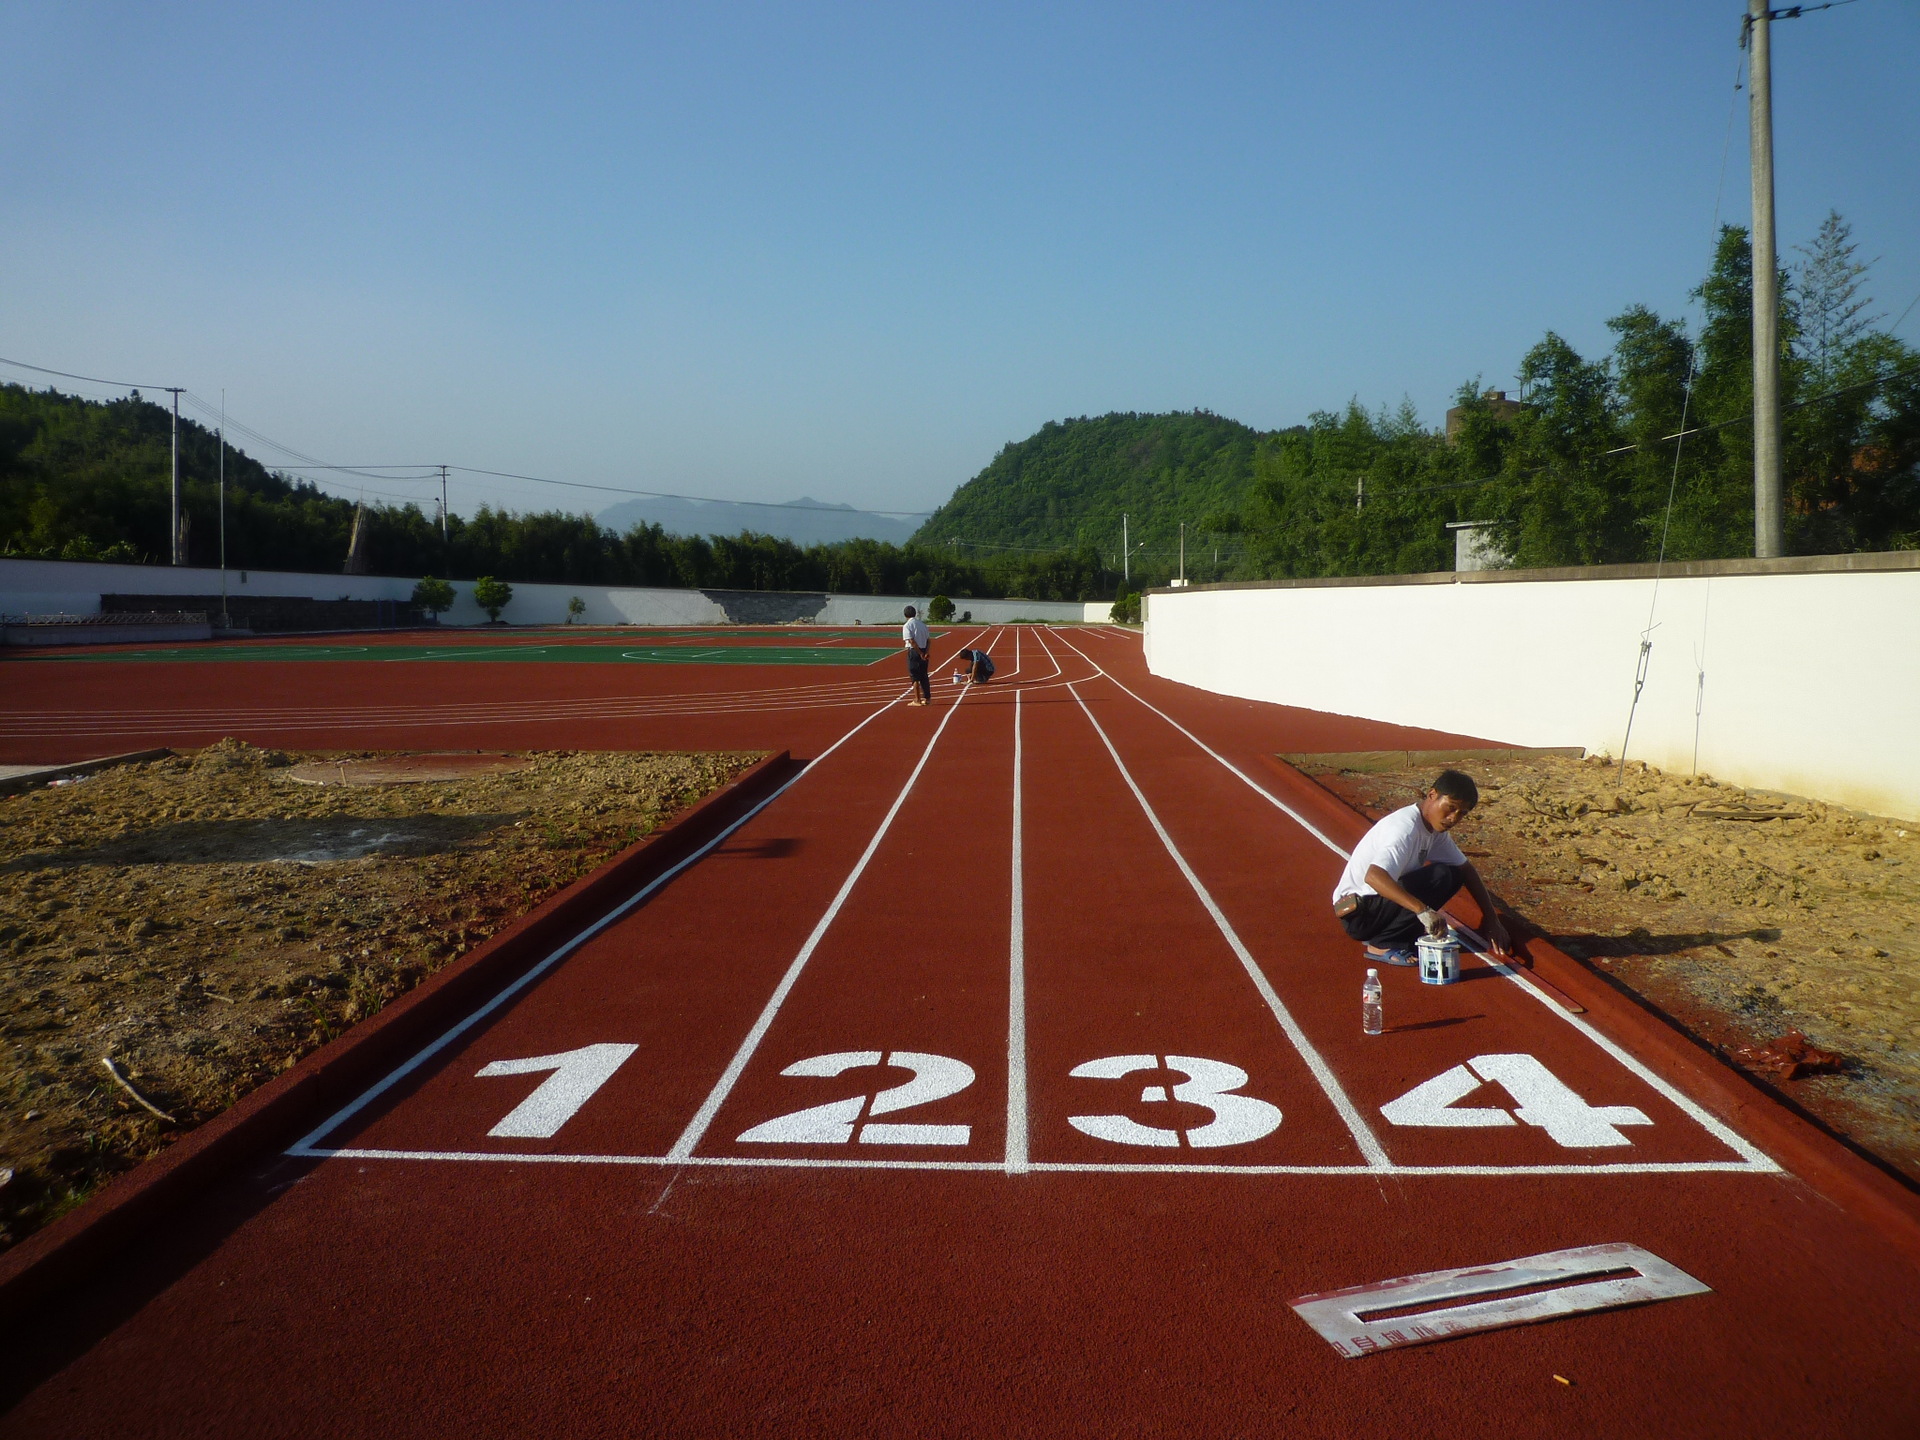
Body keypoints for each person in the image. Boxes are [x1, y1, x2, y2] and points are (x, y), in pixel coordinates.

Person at [1330, 769, 1511, 964]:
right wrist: (1422, 911)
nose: (1453, 818)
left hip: (1375, 907)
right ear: (1432, 795)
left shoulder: (1435, 830)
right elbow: (1374, 877)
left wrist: (1491, 918)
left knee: (1453, 874)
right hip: (1359, 913)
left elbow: (1466, 869)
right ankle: (1382, 944)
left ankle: (1400, 932)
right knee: (1439, 875)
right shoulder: (1405, 829)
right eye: (1450, 808)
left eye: (1462, 814)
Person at [901, 604, 932, 706]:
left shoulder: (907, 626)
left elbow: (911, 641)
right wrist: (926, 652)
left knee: (914, 676)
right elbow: (928, 640)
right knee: (924, 676)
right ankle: (927, 698)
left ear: (905, 615)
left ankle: (917, 699)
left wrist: (920, 653)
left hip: (915, 652)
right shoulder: (922, 625)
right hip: (923, 649)